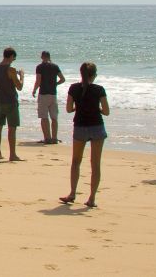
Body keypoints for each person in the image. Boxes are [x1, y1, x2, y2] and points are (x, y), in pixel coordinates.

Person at [61, 62, 109, 208]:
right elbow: (106, 111)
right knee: (95, 164)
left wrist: (78, 107)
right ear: (94, 75)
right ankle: (92, 198)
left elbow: (69, 109)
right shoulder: (99, 89)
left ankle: (72, 193)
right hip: (96, 126)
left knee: (76, 161)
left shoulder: (74, 88)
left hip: (80, 126)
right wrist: (97, 109)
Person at [0, 47, 24, 161]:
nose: (13, 60)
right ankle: (12, 154)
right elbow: (19, 87)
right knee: (12, 128)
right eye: (13, 58)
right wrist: (22, 76)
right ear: (11, 56)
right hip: (10, 101)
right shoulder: (11, 70)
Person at [31, 51, 66, 144]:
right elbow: (63, 79)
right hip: (53, 94)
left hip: (43, 94)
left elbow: (38, 81)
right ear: (49, 57)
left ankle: (47, 138)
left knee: (44, 117)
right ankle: (54, 138)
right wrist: (55, 84)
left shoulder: (40, 67)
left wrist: (34, 90)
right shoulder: (55, 66)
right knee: (54, 117)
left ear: (42, 57)